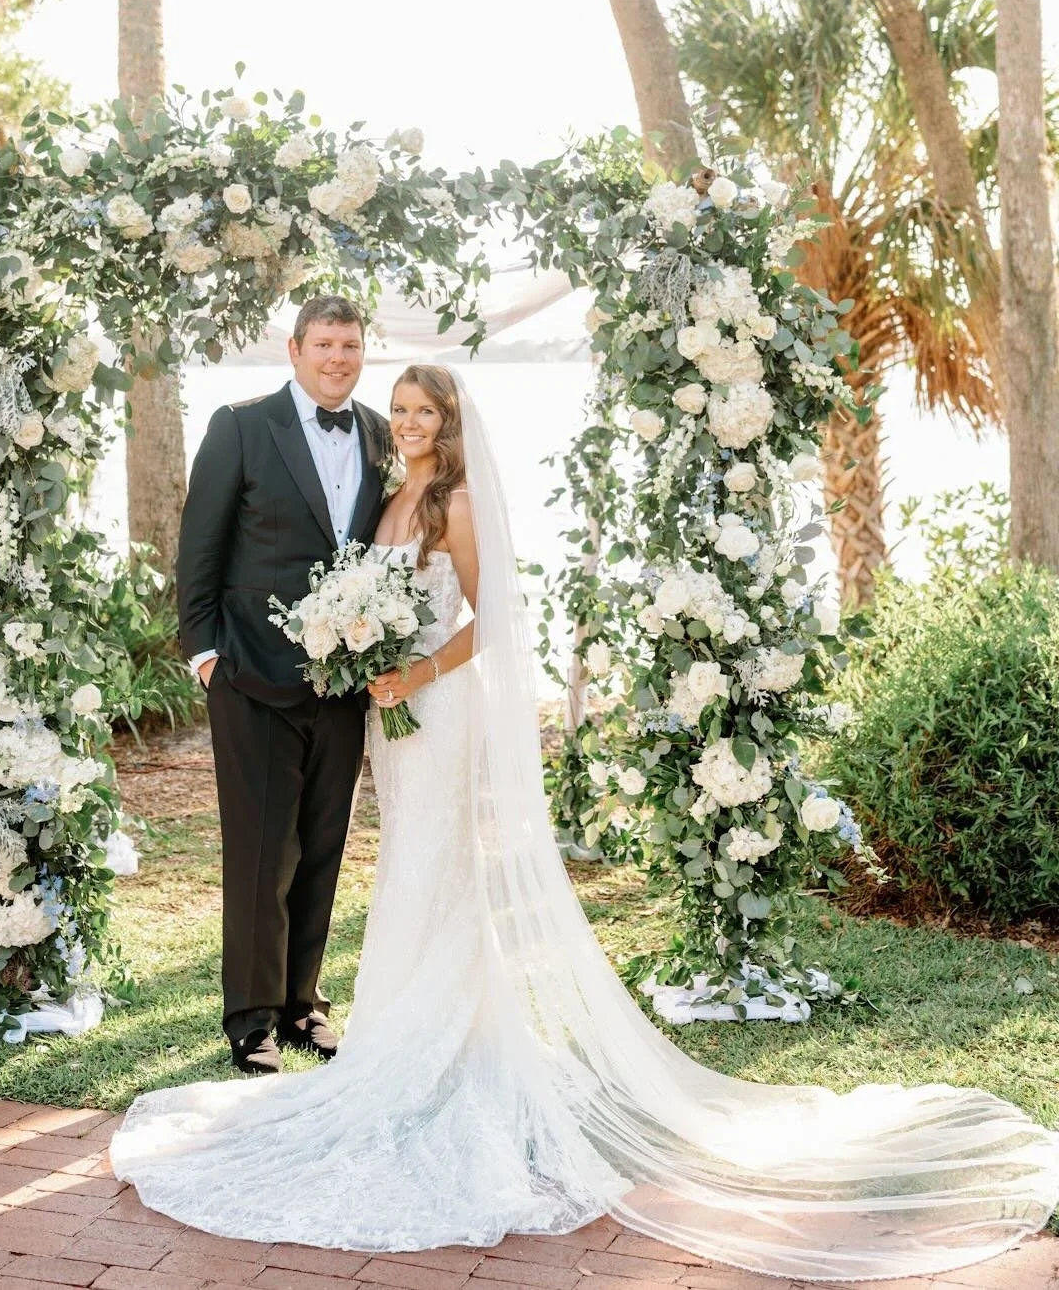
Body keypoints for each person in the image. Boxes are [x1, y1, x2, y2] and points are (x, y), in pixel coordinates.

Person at [116, 365, 1059, 1277]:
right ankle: (406, 1033)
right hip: (390, 722)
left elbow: (488, 620)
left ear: (449, 420)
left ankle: (431, 1048)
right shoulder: (390, 491)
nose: (403, 421)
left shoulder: (455, 502)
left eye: (420, 410)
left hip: (433, 715)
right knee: (404, 864)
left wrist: (414, 674)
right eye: (397, 407)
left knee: (431, 870)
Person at [175, 294, 392, 1075]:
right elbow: (199, 545)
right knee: (262, 853)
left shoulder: (378, 432)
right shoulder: (241, 425)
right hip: (251, 678)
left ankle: (304, 1002)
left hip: (344, 685)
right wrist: (205, 654)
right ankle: (252, 1016)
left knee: (323, 849)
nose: (339, 357)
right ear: (295, 349)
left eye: (351, 344)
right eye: (325, 344)